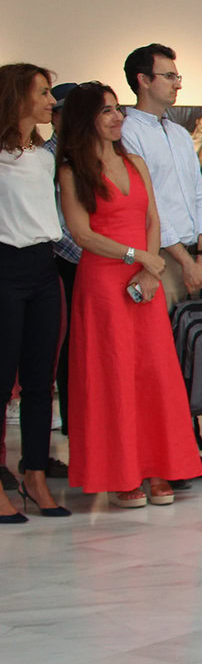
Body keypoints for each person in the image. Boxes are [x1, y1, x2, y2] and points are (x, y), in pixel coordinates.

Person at [56, 82, 201, 509]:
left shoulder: (135, 161)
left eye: (117, 109)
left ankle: (159, 466)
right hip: (102, 283)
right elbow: (81, 233)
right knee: (113, 376)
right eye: (106, 111)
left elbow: (153, 218)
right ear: (87, 120)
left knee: (153, 373)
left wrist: (150, 266)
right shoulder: (71, 169)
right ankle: (122, 473)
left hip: (144, 280)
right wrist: (138, 256)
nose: (117, 117)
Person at [118, 43, 202, 480]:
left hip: (193, 255)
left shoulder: (179, 134)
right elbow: (149, 208)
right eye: (168, 75)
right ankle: (160, 457)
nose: (177, 82)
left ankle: (187, 451)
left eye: (177, 75)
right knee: (160, 359)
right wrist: (183, 259)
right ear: (143, 80)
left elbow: (199, 193)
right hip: (161, 259)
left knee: (194, 353)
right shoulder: (130, 132)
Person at [0, 64, 69, 521]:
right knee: (3, 380)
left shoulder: (46, 157)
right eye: (43, 94)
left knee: (42, 381)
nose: (50, 102)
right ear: (17, 97)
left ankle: (36, 472)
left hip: (46, 269)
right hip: (5, 267)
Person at [45, 81, 81, 443]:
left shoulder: (85, 154)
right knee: (70, 347)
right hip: (66, 263)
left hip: (92, 258)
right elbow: (57, 222)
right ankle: (74, 424)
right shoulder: (48, 158)